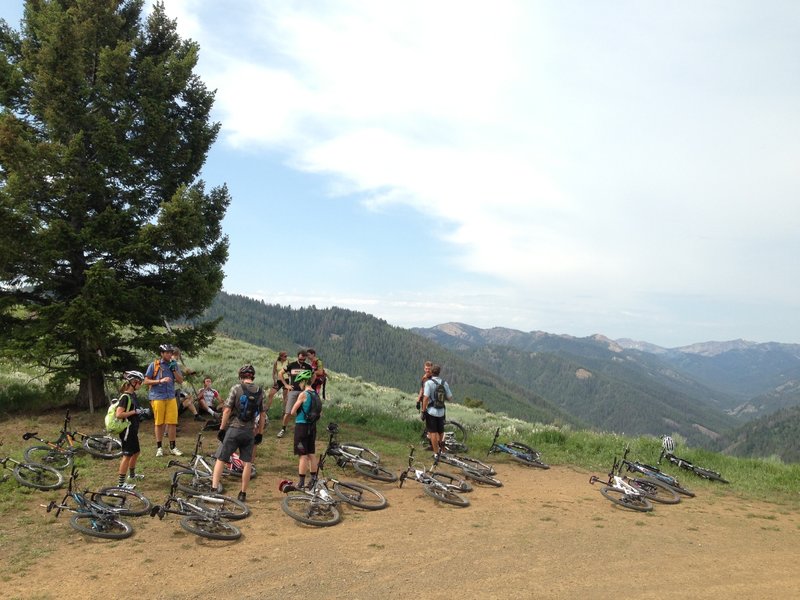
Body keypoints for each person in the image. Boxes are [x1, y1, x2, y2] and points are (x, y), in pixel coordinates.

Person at [211, 364, 265, 502]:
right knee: (247, 463)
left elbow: (227, 410)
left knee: (221, 458)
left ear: (241, 376)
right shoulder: (260, 391)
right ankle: (242, 493)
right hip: (249, 431)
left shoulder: (236, 388)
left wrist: (222, 429)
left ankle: (214, 489)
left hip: (234, 429)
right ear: (252, 376)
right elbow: (262, 415)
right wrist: (259, 433)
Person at [143, 343, 184, 456]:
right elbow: (146, 381)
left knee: (172, 423)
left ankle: (173, 447)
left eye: (170, 352)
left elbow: (180, 381)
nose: (169, 354)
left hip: (170, 396)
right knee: (159, 423)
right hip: (157, 397)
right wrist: (159, 381)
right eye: (167, 352)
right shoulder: (154, 365)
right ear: (162, 354)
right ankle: (159, 447)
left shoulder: (174, 365)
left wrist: (174, 370)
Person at [114, 370, 151, 487]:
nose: (141, 385)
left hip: (133, 429)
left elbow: (135, 410)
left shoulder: (133, 395)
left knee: (136, 452)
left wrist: (141, 412)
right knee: (127, 455)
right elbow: (119, 414)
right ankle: (121, 484)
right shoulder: (125, 397)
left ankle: (132, 475)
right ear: (134, 382)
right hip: (127, 430)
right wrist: (135, 411)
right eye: (140, 382)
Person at [289, 369, 321, 490]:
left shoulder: (303, 394)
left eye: (300, 382)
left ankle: (301, 482)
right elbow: (319, 413)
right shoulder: (316, 394)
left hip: (302, 426)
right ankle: (313, 480)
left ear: (303, 381)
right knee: (311, 454)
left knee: (302, 455)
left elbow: (292, 411)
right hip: (312, 427)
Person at [276, 350, 312, 438]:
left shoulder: (308, 367)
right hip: (293, 391)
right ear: (298, 357)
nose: (302, 361)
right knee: (288, 412)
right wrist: (286, 385)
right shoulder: (292, 365)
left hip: (304, 392)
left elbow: (313, 375)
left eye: (304, 359)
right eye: (300, 359)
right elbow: (280, 373)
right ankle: (283, 429)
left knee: (305, 411)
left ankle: (304, 430)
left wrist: (310, 385)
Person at [421, 364, 453, 455]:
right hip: (441, 411)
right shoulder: (444, 383)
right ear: (439, 373)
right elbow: (450, 397)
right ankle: (443, 451)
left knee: (433, 432)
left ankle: (436, 453)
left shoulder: (429, 383)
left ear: (431, 372)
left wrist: (423, 411)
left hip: (431, 411)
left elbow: (426, 398)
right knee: (441, 432)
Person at [265, 351, 290, 418]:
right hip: (278, 381)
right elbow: (274, 372)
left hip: (286, 380)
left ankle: (284, 412)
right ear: (281, 356)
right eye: (285, 356)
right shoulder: (276, 362)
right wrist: (274, 380)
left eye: (286, 356)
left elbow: (290, 371)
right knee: (270, 394)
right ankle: (266, 410)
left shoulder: (287, 362)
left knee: (285, 397)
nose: (286, 357)